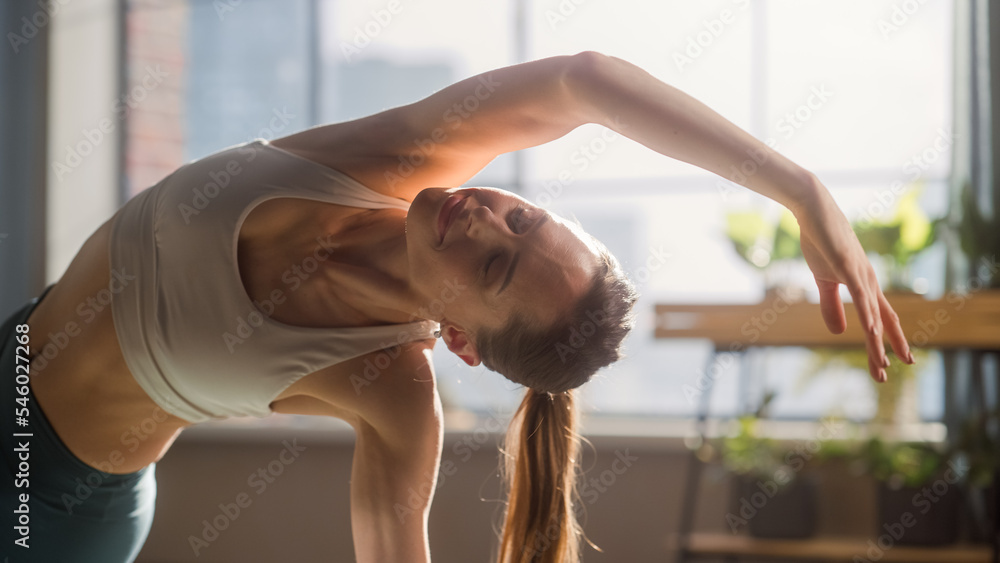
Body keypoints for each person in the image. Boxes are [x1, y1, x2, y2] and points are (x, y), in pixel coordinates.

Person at [1, 51, 912, 563]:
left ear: (464, 342)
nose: (483, 216)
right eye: (523, 215)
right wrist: (800, 188)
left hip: (55, 515)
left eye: (497, 265)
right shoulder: (403, 154)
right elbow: (585, 83)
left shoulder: (392, 391)